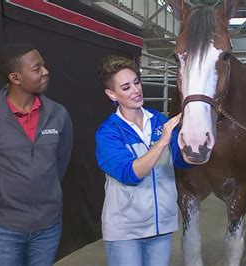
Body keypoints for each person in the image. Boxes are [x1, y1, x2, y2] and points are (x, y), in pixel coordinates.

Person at [0, 43, 73, 265]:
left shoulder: (59, 115)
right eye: (37, 68)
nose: (45, 71)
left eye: (44, 65)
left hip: (48, 227)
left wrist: (44, 191)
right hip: (2, 230)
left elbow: (61, 161)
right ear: (15, 77)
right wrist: (1, 196)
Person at [95, 55, 191, 266]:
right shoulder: (108, 133)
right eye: (126, 87)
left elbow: (181, 161)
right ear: (112, 94)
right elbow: (130, 174)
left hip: (161, 227)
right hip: (125, 231)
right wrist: (162, 141)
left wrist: (193, 144)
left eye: (136, 82)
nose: (136, 90)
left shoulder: (159, 120)